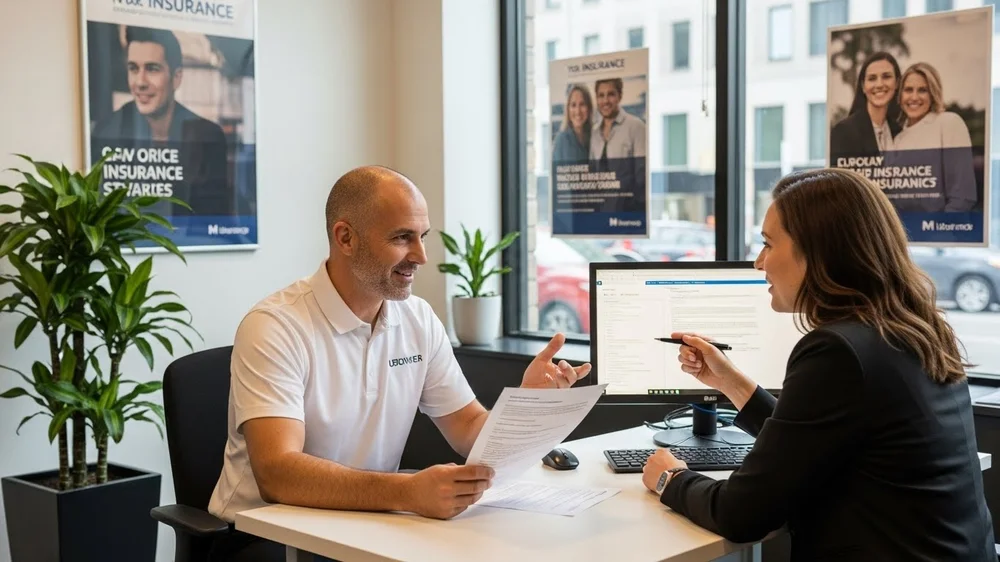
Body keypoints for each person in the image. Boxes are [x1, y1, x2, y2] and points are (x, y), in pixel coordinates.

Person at [206, 165, 591, 561]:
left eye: (422, 237)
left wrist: (527, 403)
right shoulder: (276, 326)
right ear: (345, 238)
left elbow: (470, 429)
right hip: (263, 536)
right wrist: (406, 492)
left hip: (366, 524)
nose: (421, 256)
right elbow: (277, 473)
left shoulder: (417, 318)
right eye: (402, 238)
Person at [641, 168, 995, 561]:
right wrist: (730, 381)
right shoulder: (914, 329)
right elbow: (817, 438)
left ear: (818, 253)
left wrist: (670, 479)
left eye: (768, 245)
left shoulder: (837, 349)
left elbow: (741, 515)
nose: (759, 263)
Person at [90, 25, 229, 217]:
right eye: (133, 68)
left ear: (176, 78)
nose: (140, 82)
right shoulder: (106, 131)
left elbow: (215, 218)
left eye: (152, 69)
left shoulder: (207, 136)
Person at [890, 62, 977, 212]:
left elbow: (963, 194)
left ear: (933, 94)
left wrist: (942, 230)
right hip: (906, 232)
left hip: (941, 231)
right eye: (908, 90)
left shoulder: (949, 122)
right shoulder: (898, 139)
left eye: (923, 90)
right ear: (900, 95)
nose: (914, 97)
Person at [830, 51, 903, 160]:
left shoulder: (898, 130)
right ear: (863, 86)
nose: (879, 84)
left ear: (897, 83)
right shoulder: (844, 132)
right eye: (872, 78)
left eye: (886, 76)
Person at [589, 78, 646, 214]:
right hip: (600, 214)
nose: (605, 101)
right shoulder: (594, 133)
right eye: (601, 95)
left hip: (627, 214)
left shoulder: (636, 127)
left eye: (611, 94)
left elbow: (641, 177)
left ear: (620, 96)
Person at [552, 84, 593, 164]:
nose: (578, 111)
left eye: (582, 104)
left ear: (589, 107)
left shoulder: (595, 137)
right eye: (573, 105)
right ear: (568, 109)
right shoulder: (561, 140)